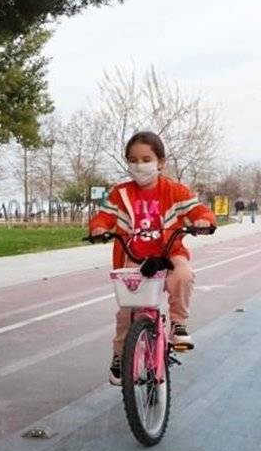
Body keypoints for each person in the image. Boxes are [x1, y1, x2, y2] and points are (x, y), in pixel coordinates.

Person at [89, 130, 216, 385]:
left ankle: (178, 324)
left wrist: (204, 220)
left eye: (146, 159)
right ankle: (120, 355)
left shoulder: (174, 190)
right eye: (133, 160)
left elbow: (198, 210)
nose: (139, 165)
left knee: (183, 274)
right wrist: (99, 228)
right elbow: (104, 217)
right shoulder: (120, 193)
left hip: (169, 253)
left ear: (160, 162)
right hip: (133, 256)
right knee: (127, 312)